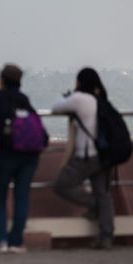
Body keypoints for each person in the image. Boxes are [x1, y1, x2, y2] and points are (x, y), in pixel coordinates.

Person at [0, 64, 40, 253]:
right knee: (22, 196)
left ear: (2, 80)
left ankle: (1, 240)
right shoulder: (24, 99)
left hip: (7, 151)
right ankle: (16, 241)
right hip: (29, 153)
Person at [52, 67, 114, 249]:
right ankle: (106, 237)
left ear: (79, 82)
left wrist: (68, 97)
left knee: (61, 185)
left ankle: (93, 204)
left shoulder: (79, 99)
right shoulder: (102, 100)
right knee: (104, 195)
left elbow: (56, 108)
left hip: (87, 156)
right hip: (104, 155)